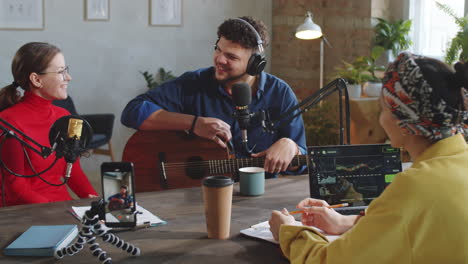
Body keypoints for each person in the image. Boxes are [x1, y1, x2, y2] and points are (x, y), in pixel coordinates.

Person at [269, 52, 468, 263]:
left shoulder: (413, 187)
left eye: (382, 109)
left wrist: (289, 231)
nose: (379, 118)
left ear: (404, 122)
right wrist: (346, 223)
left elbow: (329, 260)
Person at [121, 16, 306, 177]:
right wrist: (194, 123)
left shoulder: (280, 94)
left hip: (260, 198)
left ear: (254, 64)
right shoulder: (193, 83)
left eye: (231, 57)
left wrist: (292, 147)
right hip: (197, 196)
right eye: (218, 49)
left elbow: (301, 165)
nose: (219, 59)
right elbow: (133, 112)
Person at [0, 42, 98, 207]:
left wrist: (96, 202)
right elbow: (15, 187)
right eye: (61, 72)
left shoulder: (66, 117)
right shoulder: (8, 122)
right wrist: (55, 211)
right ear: (36, 79)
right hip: (27, 211)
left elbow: (74, 171)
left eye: (66, 70)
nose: (68, 77)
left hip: (61, 207)